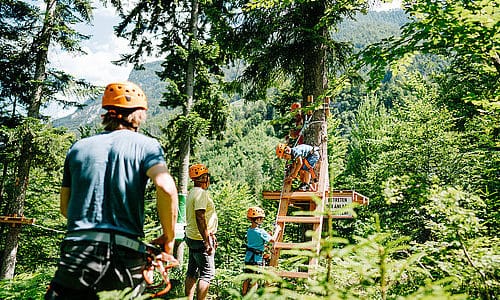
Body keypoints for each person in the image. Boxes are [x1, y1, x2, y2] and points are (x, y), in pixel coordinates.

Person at [45, 81, 179, 300]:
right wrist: (169, 237)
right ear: (138, 116)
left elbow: (65, 208)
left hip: (77, 251)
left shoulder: (78, 148)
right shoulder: (147, 146)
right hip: (122, 255)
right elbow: (166, 187)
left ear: (107, 113)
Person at [184, 164, 218, 300]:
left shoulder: (192, 192)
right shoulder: (201, 193)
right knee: (207, 274)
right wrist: (207, 240)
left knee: (192, 272)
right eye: (206, 177)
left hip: (192, 236)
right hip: (200, 238)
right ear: (203, 178)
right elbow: (200, 216)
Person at [242, 206, 275, 295]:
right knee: (254, 280)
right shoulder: (261, 232)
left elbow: (257, 241)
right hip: (256, 260)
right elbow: (273, 240)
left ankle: (243, 295)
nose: (262, 220)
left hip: (248, 258)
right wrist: (278, 231)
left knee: (246, 278)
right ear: (257, 219)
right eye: (261, 219)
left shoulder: (249, 230)